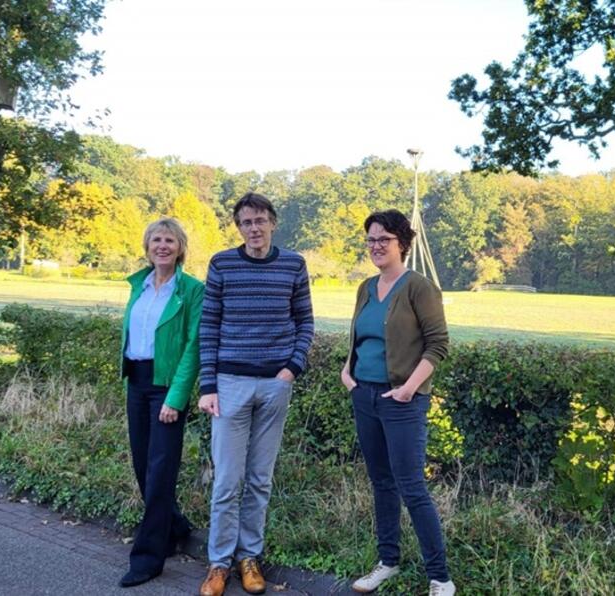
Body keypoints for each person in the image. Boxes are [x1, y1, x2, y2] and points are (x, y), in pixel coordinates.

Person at [196, 193, 314, 596]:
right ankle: (218, 563)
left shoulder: (294, 264)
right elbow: (209, 325)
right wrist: (208, 385)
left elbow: (305, 322)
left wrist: (290, 370)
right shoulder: (222, 264)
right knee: (228, 480)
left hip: (274, 385)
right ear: (238, 226)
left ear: (273, 222)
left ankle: (250, 558)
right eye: (246, 222)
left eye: (260, 220)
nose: (254, 228)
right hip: (229, 384)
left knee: (260, 480)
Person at [340, 209, 455, 595]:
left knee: (411, 486)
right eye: (371, 239)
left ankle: (440, 577)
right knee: (381, 483)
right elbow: (360, 337)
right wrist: (347, 370)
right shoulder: (365, 287)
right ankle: (387, 562)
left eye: (384, 239)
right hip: (365, 396)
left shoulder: (418, 287)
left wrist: (409, 388)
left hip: (403, 401)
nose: (376, 246)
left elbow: (438, 344)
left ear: (402, 243)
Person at [118, 218, 206, 588]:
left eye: (170, 240)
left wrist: (176, 397)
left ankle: (149, 556)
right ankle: (176, 527)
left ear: (181, 247)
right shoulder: (138, 285)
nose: (163, 246)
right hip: (136, 382)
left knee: (160, 473)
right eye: (157, 239)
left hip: (166, 387)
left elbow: (193, 346)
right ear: (147, 245)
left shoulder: (191, 290)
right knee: (143, 467)